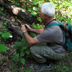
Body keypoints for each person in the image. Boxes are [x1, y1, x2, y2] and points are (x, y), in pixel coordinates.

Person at [12, 2, 66, 71]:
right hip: (60, 47)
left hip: (59, 53)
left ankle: (47, 64)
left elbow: (31, 41)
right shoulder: (54, 22)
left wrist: (24, 31)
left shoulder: (50, 31)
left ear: (45, 16)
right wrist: (31, 29)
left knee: (33, 49)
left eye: (40, 14)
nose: (39, 15)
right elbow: (44, 30)